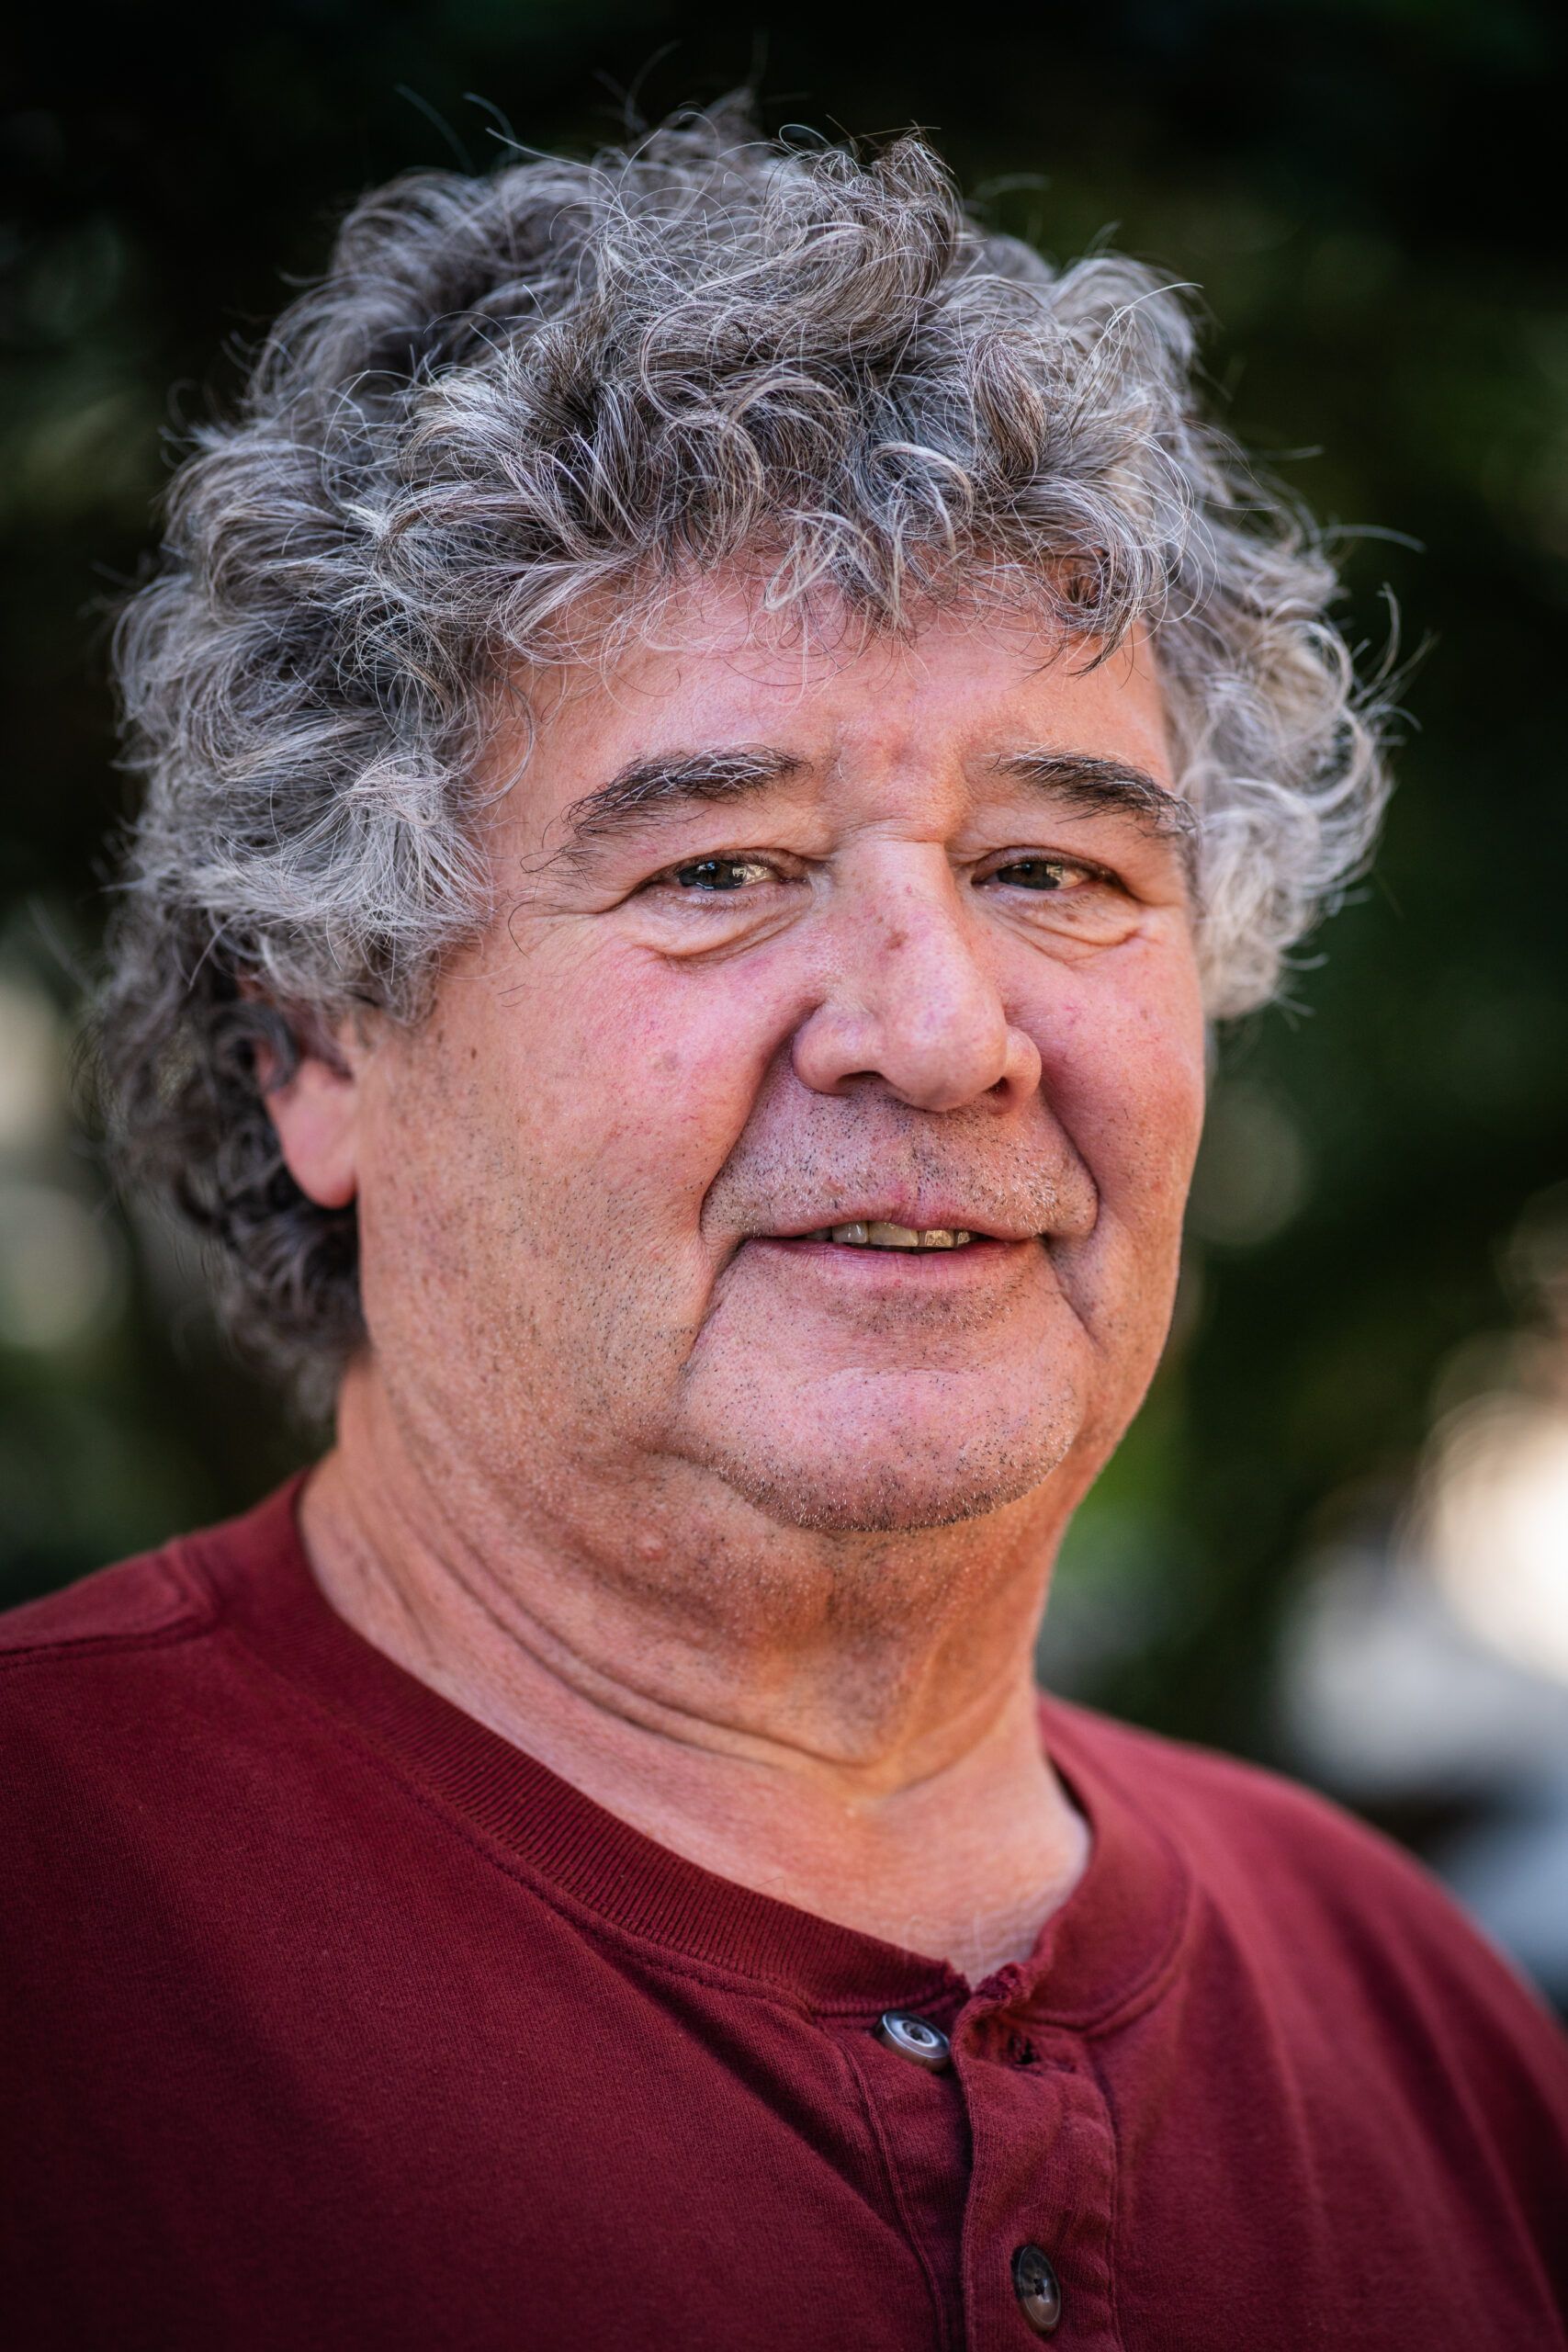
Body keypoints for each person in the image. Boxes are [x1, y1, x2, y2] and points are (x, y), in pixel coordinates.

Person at [3, 105, 1563, 2352]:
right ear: (317, 1050)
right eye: (715, 867)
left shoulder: (1426, 2020)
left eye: (1053, 870)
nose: (941, 1033)